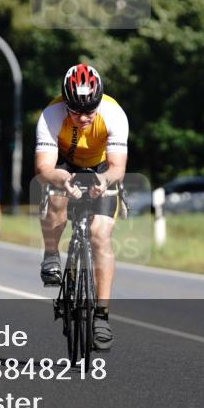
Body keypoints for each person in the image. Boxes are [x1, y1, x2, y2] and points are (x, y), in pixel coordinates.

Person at [35, 63, 128, 351]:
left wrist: (105, 180)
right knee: (56, 197)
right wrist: (62, 179)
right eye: (76, 111)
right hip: (64, 165)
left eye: (90, 111)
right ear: (65, 103)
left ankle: (101, 316)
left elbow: (117, 167)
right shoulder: (51, 115)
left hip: (101, 169)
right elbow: (44, 168)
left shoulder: (113, 113)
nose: (85, 117)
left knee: (100, 235)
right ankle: (51, 254)